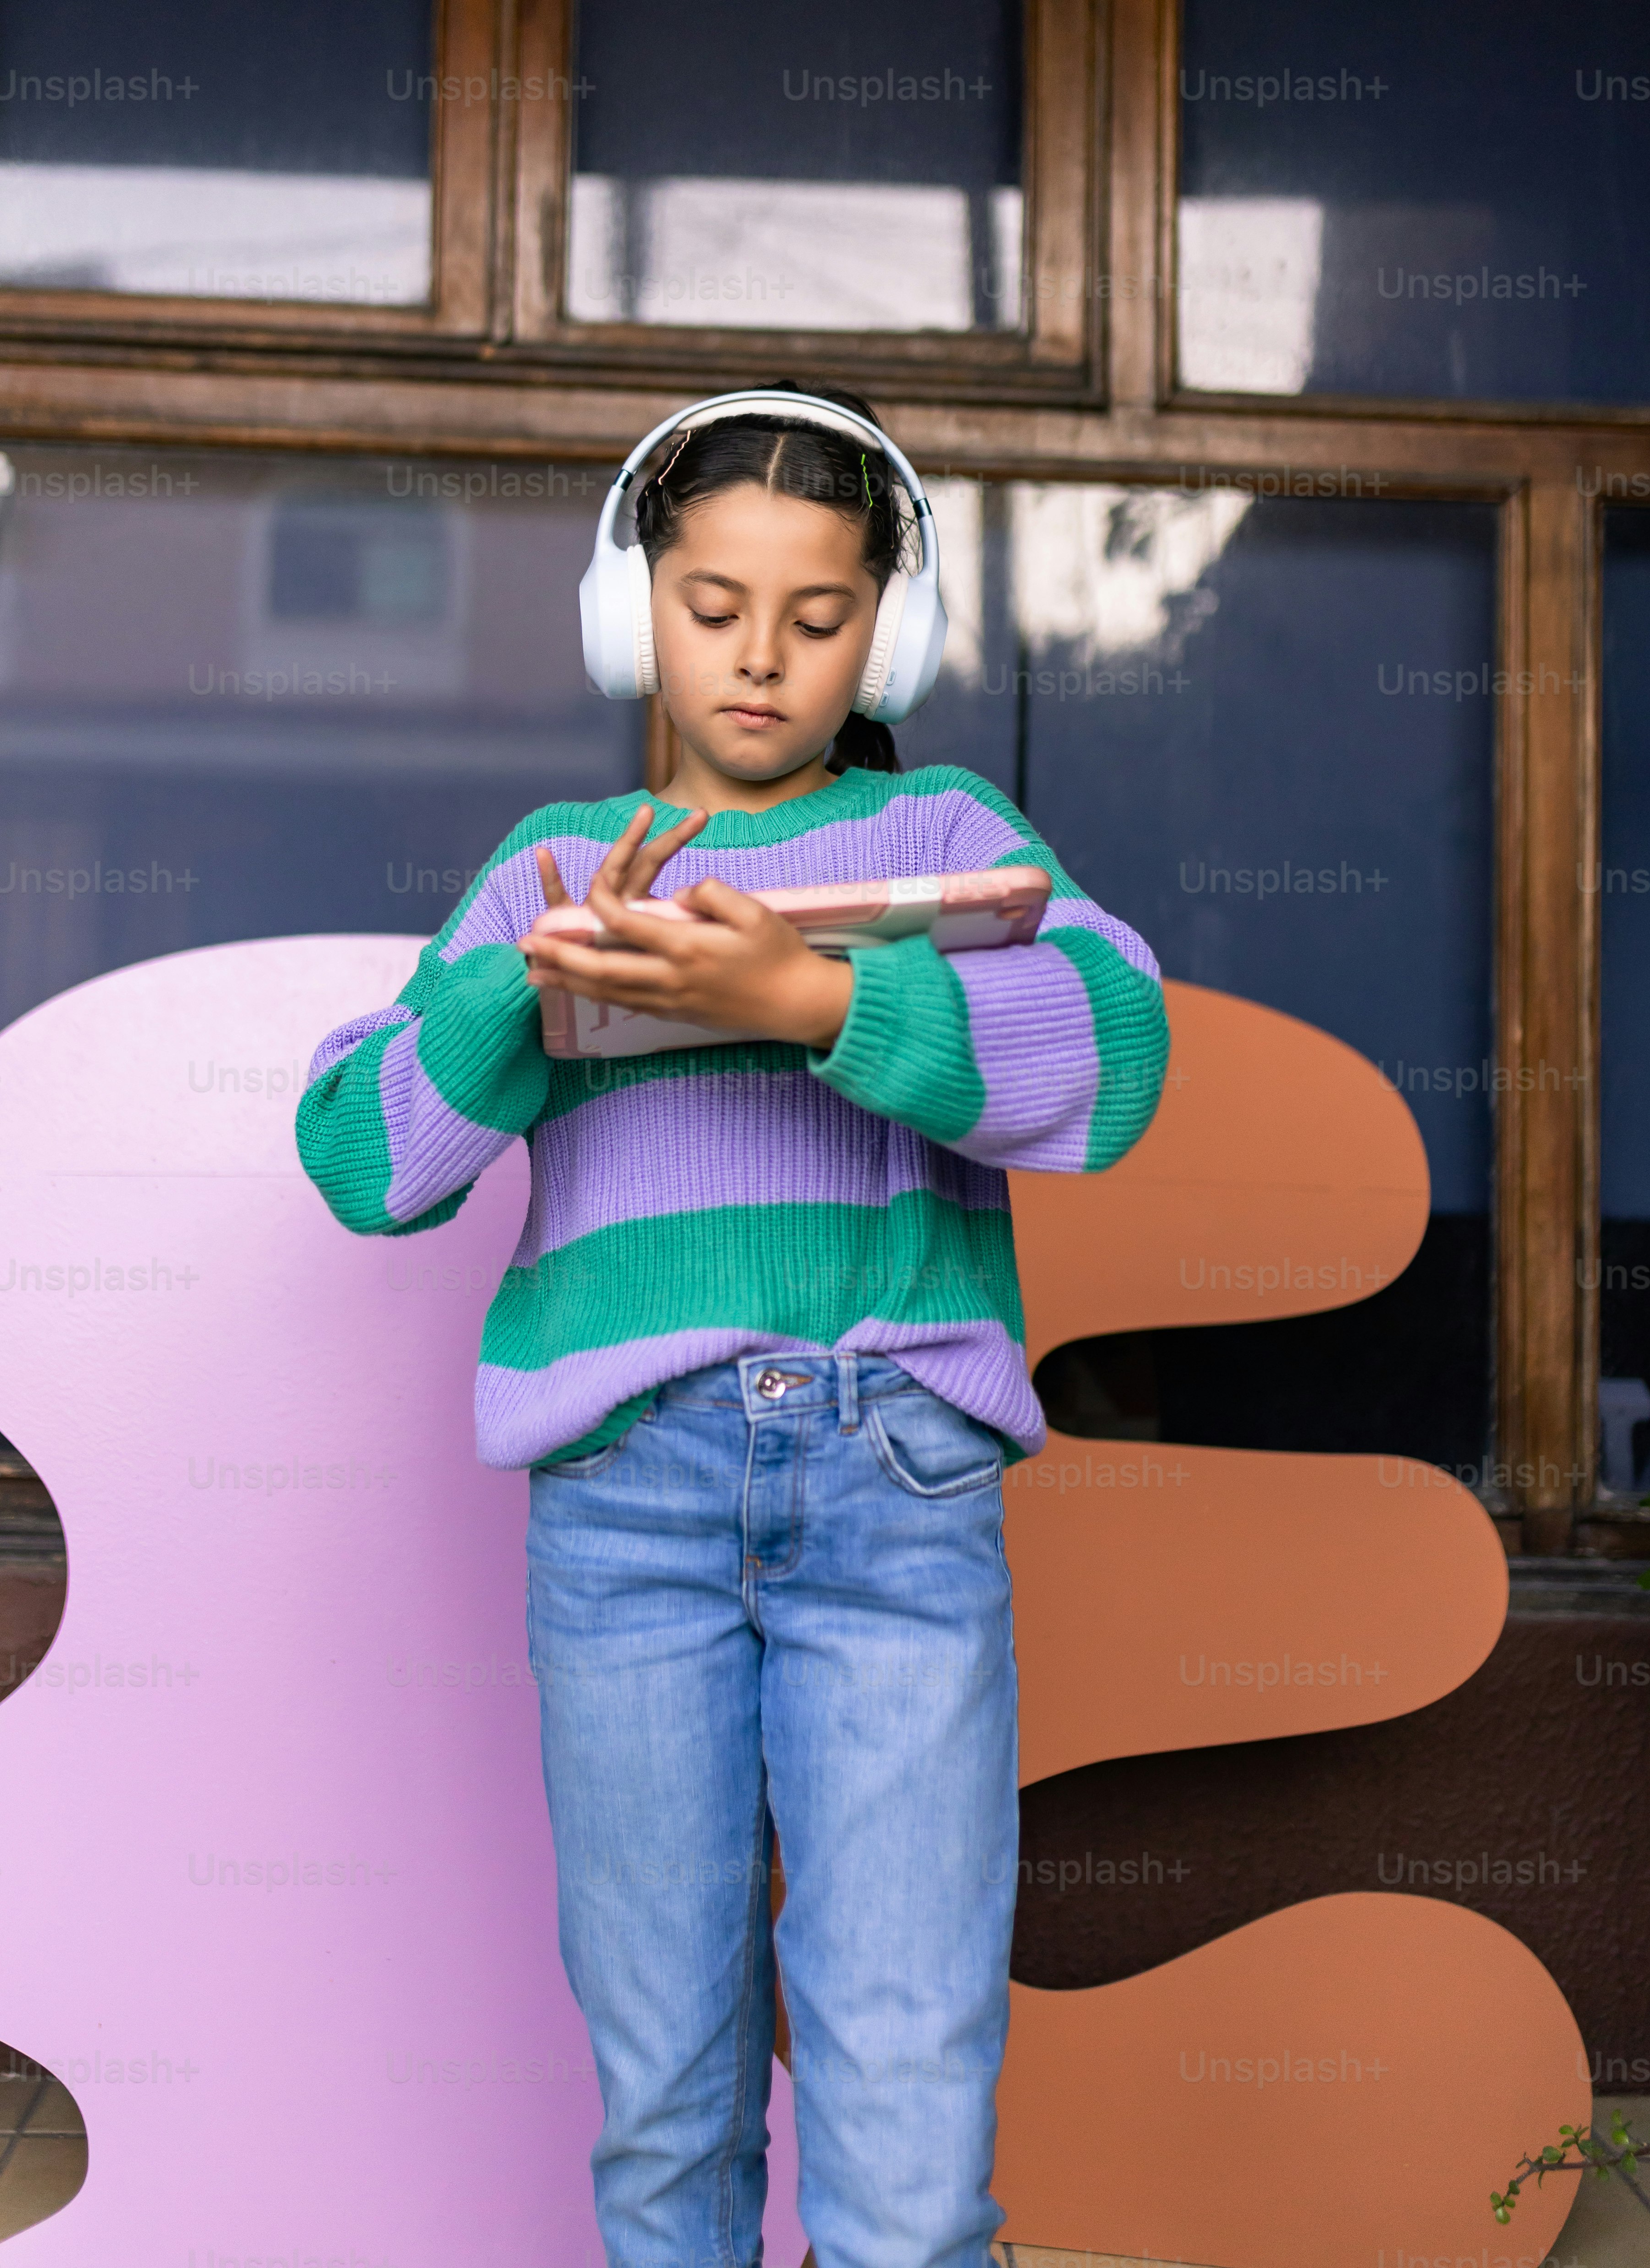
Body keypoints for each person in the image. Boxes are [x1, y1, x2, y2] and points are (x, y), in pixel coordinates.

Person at [296, 384, 1167, 2268]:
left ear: (888, 638)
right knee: (668, 2094)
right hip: (627, 1509)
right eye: (711, 606)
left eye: (819, 615)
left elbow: (1117, 1057)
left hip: (896, 1486)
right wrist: (513, 998)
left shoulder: (948, 828)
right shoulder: (551, 867)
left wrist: (816, 1004)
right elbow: (364, 1161)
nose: (762, 656)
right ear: (634, 614)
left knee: (908, 2096)